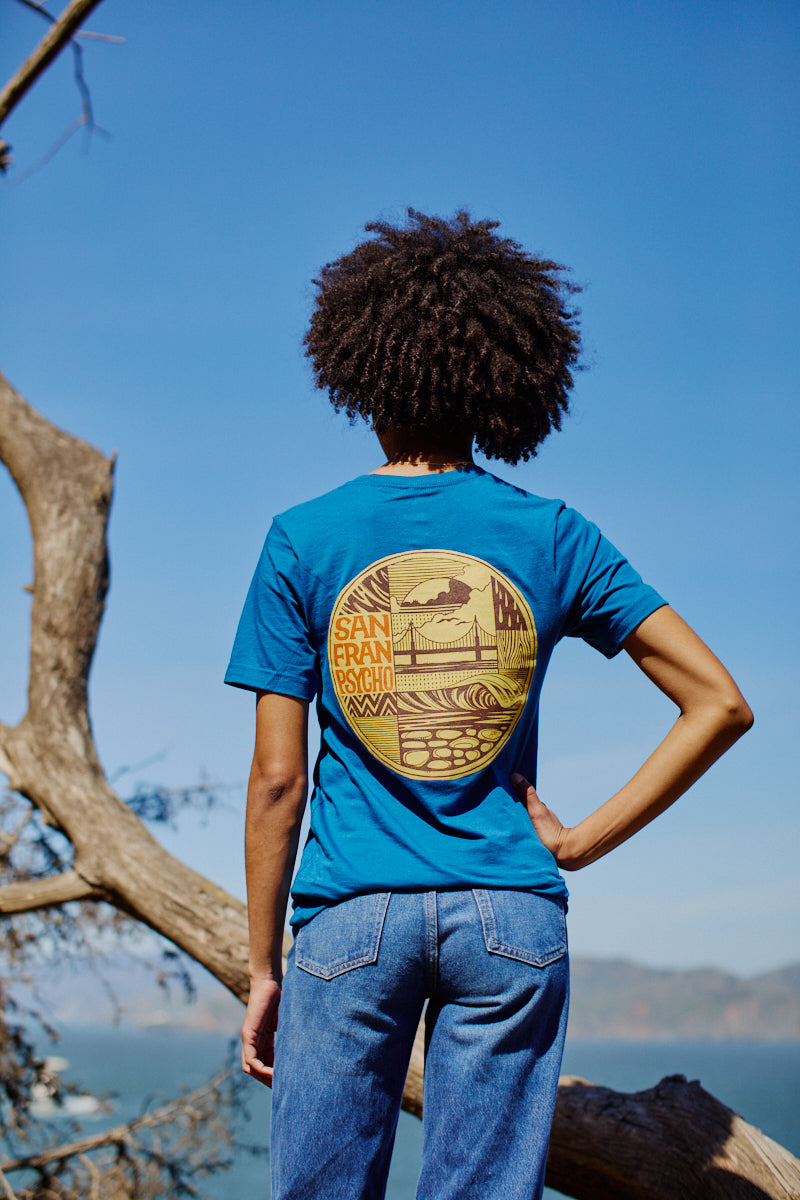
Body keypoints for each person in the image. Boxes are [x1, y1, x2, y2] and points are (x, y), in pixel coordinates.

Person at [225, 209, 752, 1200]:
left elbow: (278, 779)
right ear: (501, 382)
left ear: (359, 371)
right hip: (510, 917)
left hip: (348, 917)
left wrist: (263, 970)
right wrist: (580, 840)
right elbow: (718, 703)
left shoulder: (302, 538)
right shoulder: (553, 535)